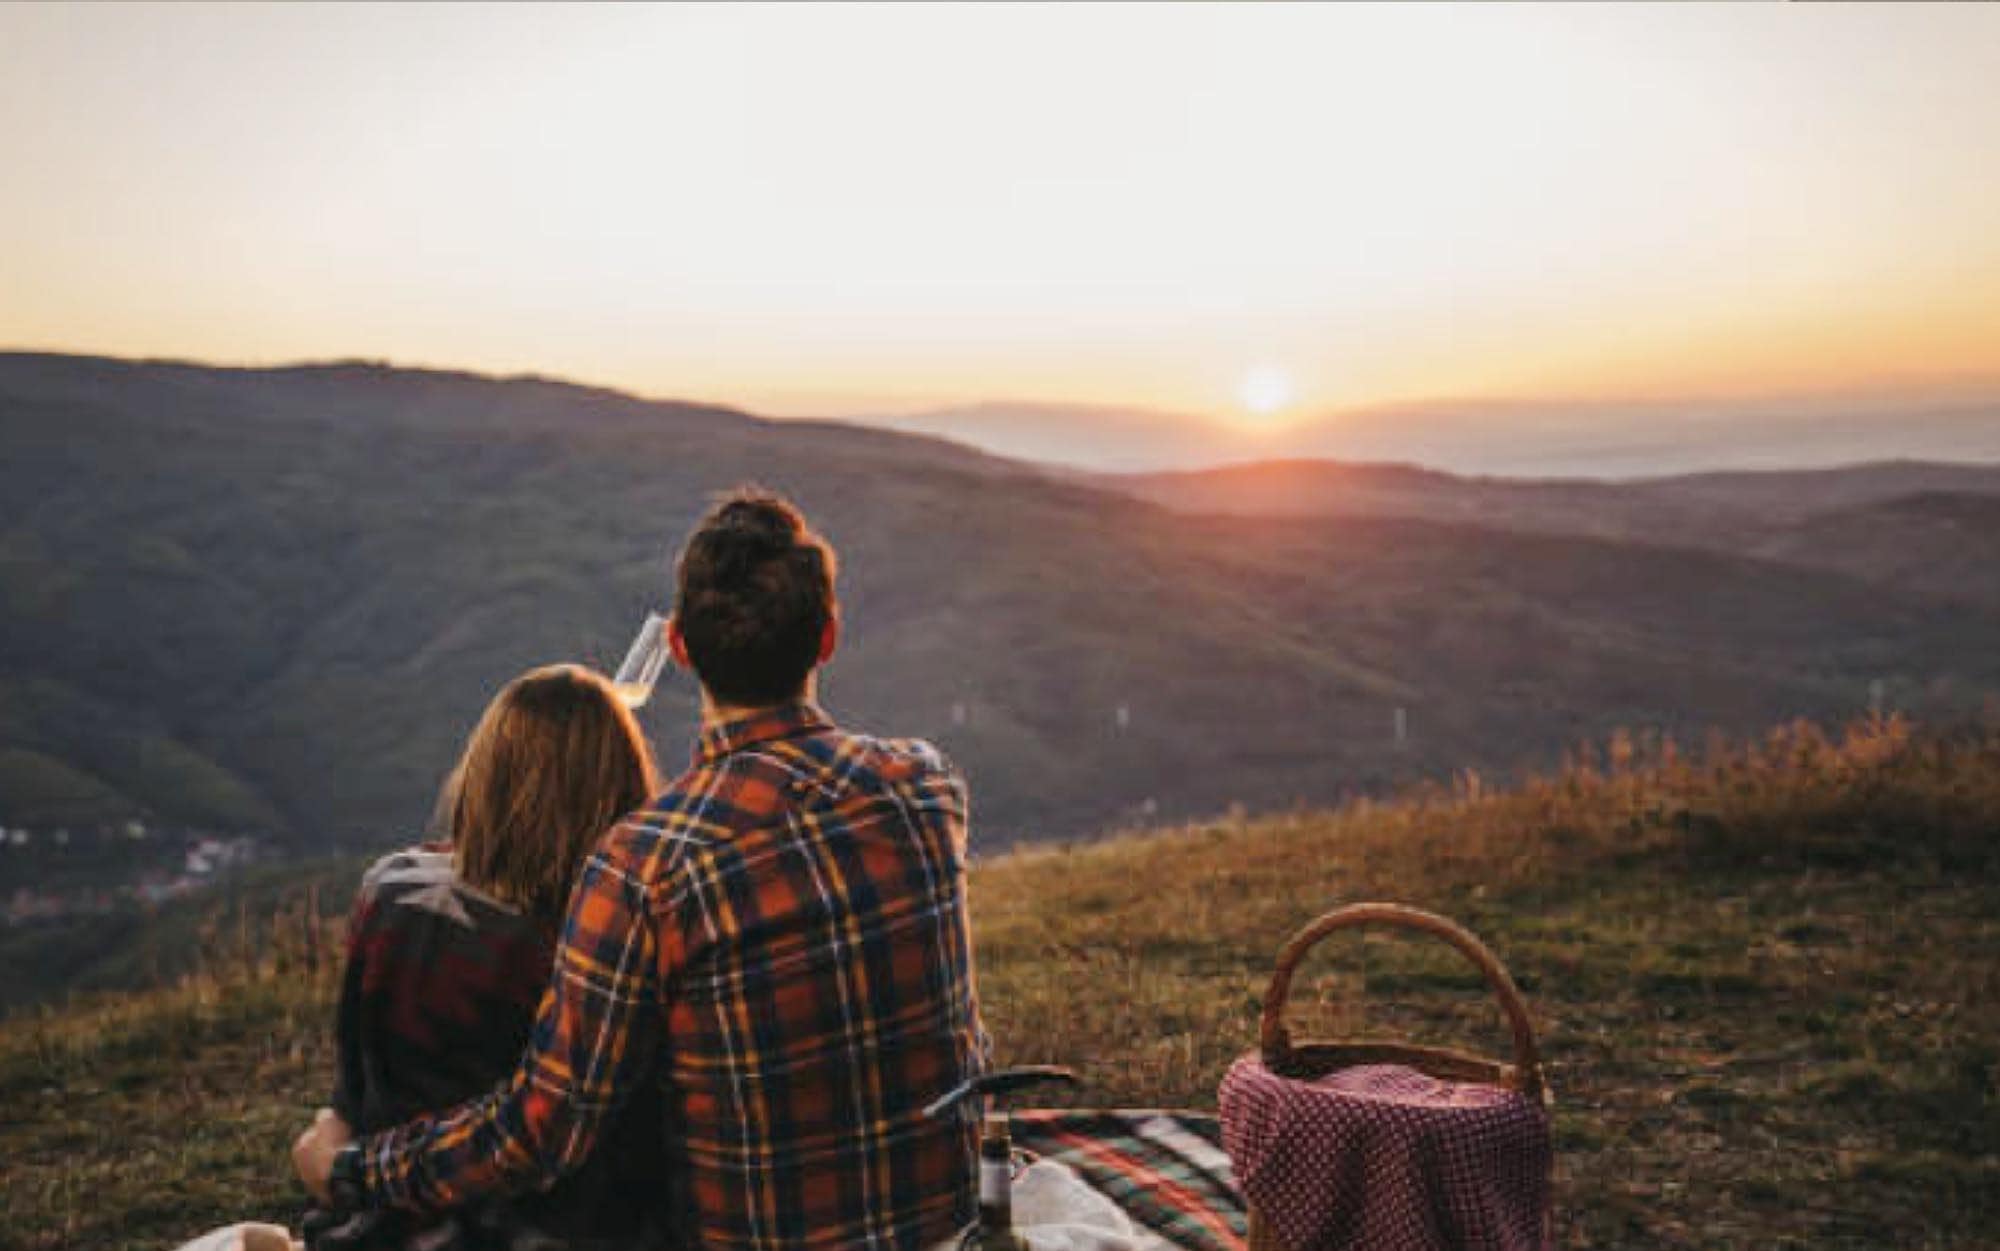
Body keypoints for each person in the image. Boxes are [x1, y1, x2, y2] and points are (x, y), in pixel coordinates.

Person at [296, 489, 990, 1251]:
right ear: (827, 637)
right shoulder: (929, 785)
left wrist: (355, 1167)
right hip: (948, 1218)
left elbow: (540, 1130)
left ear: (683, 650)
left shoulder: (642, 865)